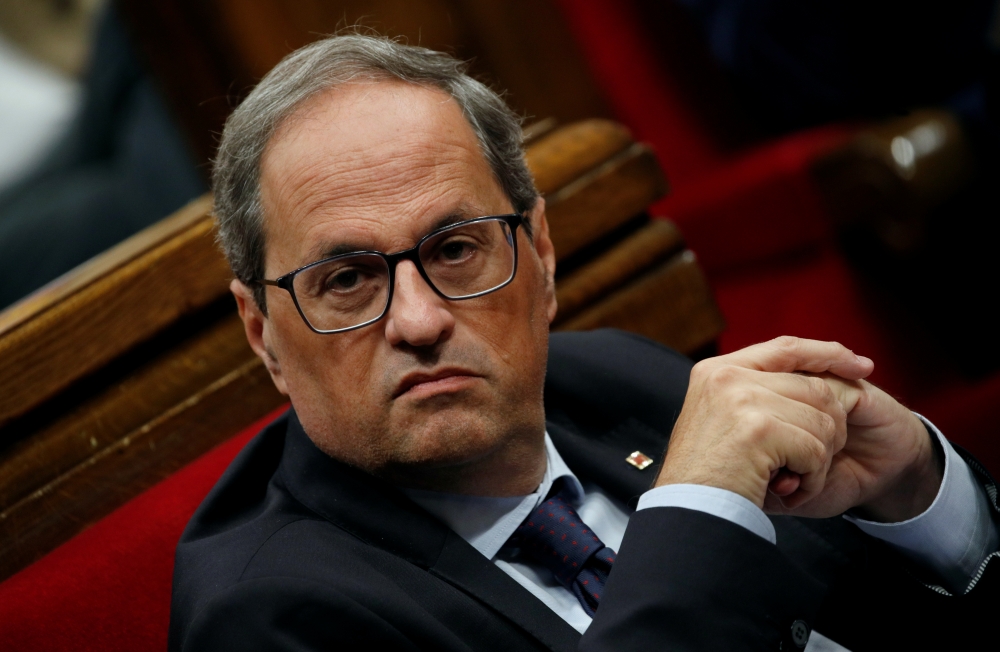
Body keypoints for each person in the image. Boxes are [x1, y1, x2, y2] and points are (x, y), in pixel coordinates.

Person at [169, 34, 1000, 651]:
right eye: (346, 279)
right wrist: (698, 516)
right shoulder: (267, 618)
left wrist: (923, 495)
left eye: (456, 250)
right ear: (263, 335)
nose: (417, 321)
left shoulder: (616, 379)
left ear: (540, 253)